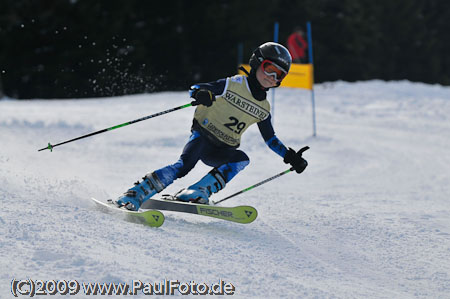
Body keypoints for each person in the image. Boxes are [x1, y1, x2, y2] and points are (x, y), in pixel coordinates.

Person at [116, 42, 309, 211]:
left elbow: (270, 139)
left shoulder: (263, 108)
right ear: (257, 62)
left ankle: (196, 191)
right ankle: (135, 193)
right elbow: (197, 87)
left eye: (279, 75)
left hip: (223, 149)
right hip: (203, 136)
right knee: (184, 166)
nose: (272, 77)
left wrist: (289, 156)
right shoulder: (234, 84)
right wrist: (202, 94)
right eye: (269, 69)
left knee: (241, 159)